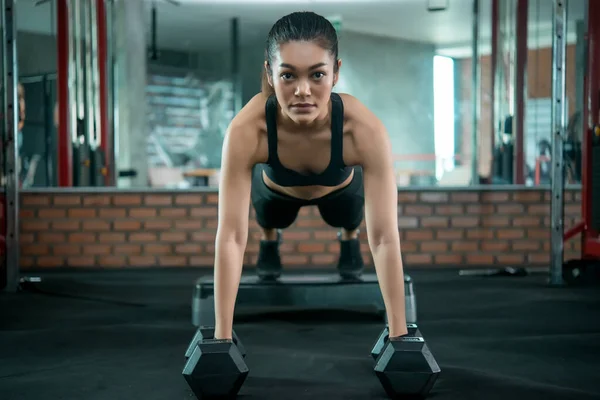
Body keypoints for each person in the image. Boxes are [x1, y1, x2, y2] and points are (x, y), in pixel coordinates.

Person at [213, 11, 408, 341]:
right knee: (270, 218)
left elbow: (385, 237)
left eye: (317, 75)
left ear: (335, 74)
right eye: (288, 76)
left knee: (349, 217)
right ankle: (270, 240)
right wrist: (220, 338)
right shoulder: (249, 128)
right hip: (278, 193)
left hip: (339, 191)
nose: (303, 90)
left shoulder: (362, 129)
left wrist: (400, 336)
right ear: (270, 74)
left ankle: (348, 239)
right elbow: (231, 236)